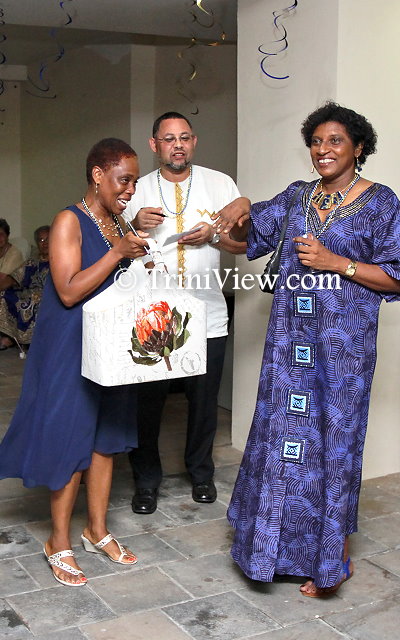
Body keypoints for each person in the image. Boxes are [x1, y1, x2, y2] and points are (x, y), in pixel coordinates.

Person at [214, 102, 400, 597]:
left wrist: (336, 262)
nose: (323, 150)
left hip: (343, 353)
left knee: (334, 445)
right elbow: (243, 240)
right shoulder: (297, 197)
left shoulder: (381, 203)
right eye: (316, 141)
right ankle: (268, 551)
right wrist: (242, 207)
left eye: (335, 141)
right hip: (289, 348)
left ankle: (332, 560)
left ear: (359, 148)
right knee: (282, 440)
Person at [0, 138, 148, 587]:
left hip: (112, 346)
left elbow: (118, 280)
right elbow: (67, 290)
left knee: (106, 438)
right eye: (124, 180)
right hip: (70, 346)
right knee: (71, 440)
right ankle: (57, 541)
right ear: (98, 175)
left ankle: (96, 530)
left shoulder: (116, 221)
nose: (130, 189)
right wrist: (118, 253)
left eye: (135, 182)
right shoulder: (69, 220)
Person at [124, 111, 246, 514]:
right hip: (152, 317)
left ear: (194, 142)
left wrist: (214, 235)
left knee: (203, 401)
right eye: (169, 138)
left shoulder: (220, 184)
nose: (178, 145)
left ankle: (201, 473)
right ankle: (146, 481)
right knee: (148, 403)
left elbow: (243, 245)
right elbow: (115, 247)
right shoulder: (136, 189)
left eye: (185, 137)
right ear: (154, 144)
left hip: (207, 313)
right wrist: (135, 225)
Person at [0, 225, 50, 350]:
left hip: (48, 295)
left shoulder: (60, 261)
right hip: (27, 292)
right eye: (41, 240)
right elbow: (14, 277)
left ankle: (28, 341)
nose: (44, 243)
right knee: (4, 294)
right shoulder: (32, 261)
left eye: (48, 239)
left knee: (33, 299)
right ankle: (9, 337)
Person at [0, 218, 24, 290]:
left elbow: (2, 279)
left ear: (7, 235)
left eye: (1, 234)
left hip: (9, 291)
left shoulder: (14, 254)